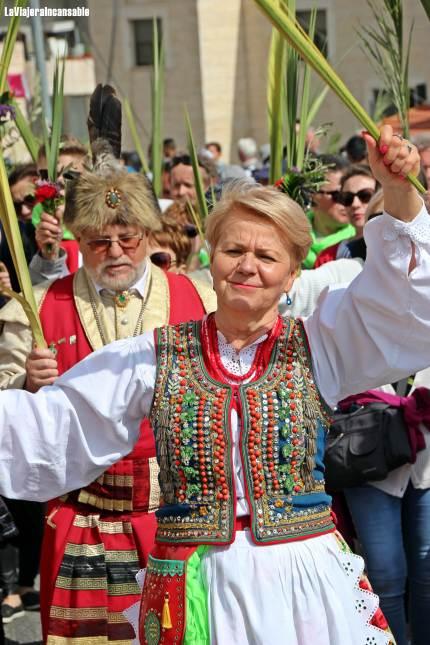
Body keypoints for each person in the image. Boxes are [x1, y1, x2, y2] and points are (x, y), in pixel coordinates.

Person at [0, 126, 426, 645]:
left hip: (301, 580)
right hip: (195, 582)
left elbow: (406, 306)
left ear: (293, 274)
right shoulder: (154, 355)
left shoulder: (321, 345)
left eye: (266, 257)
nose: (247, 266)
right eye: (233, 250)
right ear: (213, 260)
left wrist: (400, 190)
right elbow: (52, 425)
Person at [0, 153, 216, 643]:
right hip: (85, 515)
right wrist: (27, 383)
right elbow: (5, 392)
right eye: (99, 241)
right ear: (80, 240)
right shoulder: (38, 308)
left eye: (128, 238)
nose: (115, 251)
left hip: (175, 514)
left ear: (146, 234)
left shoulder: (200, 298)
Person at [315, 163, 378, 266]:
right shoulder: (328, 257)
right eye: (347, 198)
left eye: (365, 195)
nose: (355, 204)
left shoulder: (403, 243)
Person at [303, 155, 354, 268]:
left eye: (349, 195)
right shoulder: (291, 235)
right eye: (338, 195)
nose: (346, 202)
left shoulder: (360, 240)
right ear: (312, 194)